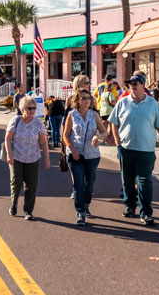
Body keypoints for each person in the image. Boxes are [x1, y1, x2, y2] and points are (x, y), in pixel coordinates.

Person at [108, 74, 159, 226]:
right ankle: (130, 207)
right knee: (127, 180)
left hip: (146, 150)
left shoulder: (153, 104)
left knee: (144, 181)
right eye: (130, 84)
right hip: (126, 148)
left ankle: (146, 213)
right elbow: (113, 123)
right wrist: (117, 143)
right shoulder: (122, 102)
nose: (133, 86)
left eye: (136, 83)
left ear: (143, 85)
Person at [64, 78, 109, 226]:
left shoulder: (94, 115)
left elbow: (104, 132)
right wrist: (72, 149)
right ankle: (80, 212)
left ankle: (86, 205)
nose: (86, 100)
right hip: (75, 154)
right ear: (78, 100)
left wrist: (98, 136)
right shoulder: (72, 115)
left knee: (89, 185)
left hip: (92, 155)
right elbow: (65, 135)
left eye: (88, 98)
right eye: (83, 98)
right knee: (78, 184)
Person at [4, 95, 50, 221]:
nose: (32, 111)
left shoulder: (38, 123)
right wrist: (9, 155)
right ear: (22, 109)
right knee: (17, 181)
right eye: (29, 108)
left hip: (33, 158)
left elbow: (44, 142)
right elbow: (8, 139)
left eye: (34, 108)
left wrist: (47, 158)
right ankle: (14, 202)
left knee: (31, 185)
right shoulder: (15, 121)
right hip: (16, 156)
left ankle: (28, 211)